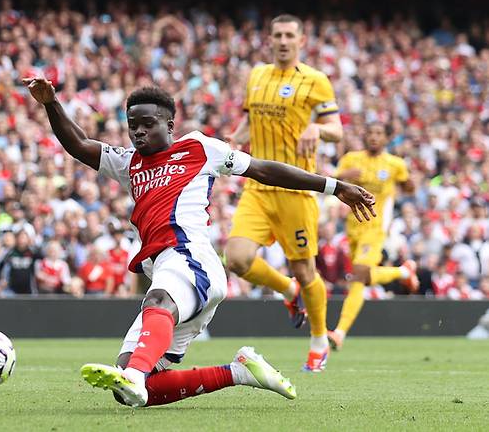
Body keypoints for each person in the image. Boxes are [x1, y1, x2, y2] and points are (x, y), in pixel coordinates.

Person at [25, 77, 375, 407]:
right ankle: (238, 371)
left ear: (170, 126)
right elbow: (80, 145)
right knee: (135, 389)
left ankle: (133, 373)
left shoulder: (198, 148)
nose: (139, 132)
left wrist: (334, 186)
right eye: (133, 125)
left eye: (149, 123)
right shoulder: (128, 162)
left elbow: (263, 169)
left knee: (152, 316)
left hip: (190, 258)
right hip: (168, 268)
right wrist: (51, 103)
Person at [224, 14, 344, 371]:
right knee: (237, 259)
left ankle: (320, 339)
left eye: (290, 35)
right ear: (269, 38)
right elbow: (250, 121)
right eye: (277, 35)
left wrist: (317, 131)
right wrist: (234, 139)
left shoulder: (315, 81)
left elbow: (336, 128)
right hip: (258, 185)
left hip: (297, 188)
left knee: (306, 271)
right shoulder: (256, 75)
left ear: (301, 40)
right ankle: (288, 292)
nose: (283, 41)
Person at [327, 123, 418, 350]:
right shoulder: (350, 159)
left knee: (358, 274)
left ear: (386, 138)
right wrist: (341, 176)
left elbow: (410, 188)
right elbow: (332, 183)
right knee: (360, 278)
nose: (374, 137)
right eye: (370, 133)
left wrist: (408, 182)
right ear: (365, 136)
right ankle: (404, 271)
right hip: (352, 228)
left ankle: (339, 331)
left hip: (376, 228)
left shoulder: (395, 164)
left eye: (379, 133)